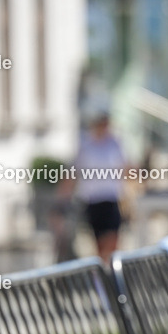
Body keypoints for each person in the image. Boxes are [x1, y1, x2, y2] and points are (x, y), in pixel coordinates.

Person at [73, 113, 127, 265]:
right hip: (93, 200)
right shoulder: (86, 146)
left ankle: (111, 272)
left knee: (112, 239)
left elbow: (125, 167)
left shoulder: (115, 144)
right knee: (99, 244)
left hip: (111, 198)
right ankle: (105, 275)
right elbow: (74, 173)